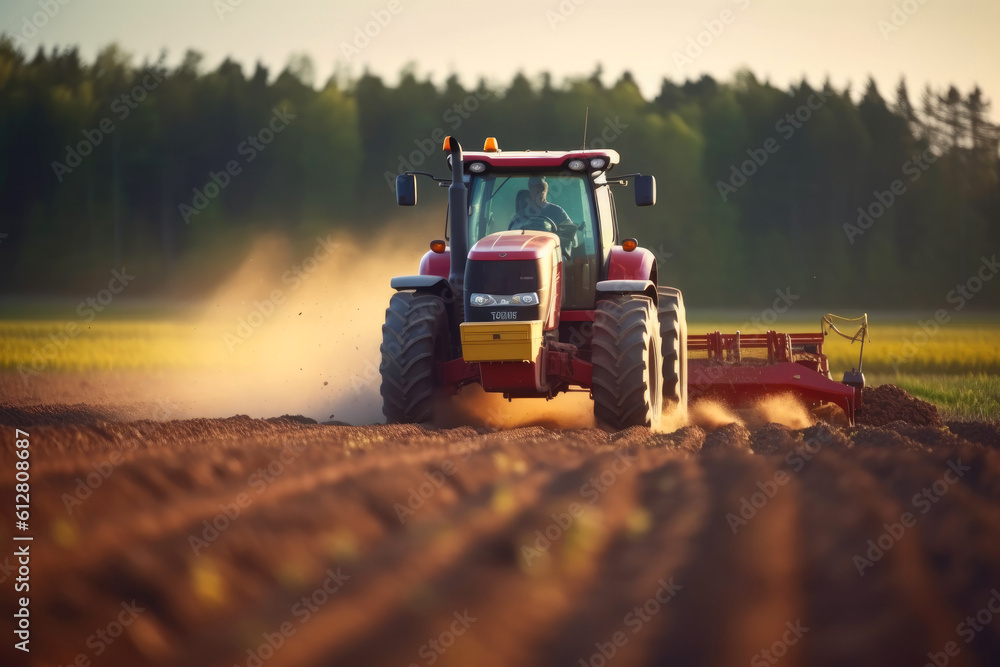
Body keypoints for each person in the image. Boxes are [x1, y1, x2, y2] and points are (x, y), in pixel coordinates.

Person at [510, 176, 579, 254]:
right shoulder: (521, 216)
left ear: (546, 190)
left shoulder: (558, 212)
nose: (539, 192)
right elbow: (511, 239)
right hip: (524, 255)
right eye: (535, 188)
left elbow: (572, 240)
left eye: (542, 188)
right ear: (530, 190)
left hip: (552, 254)